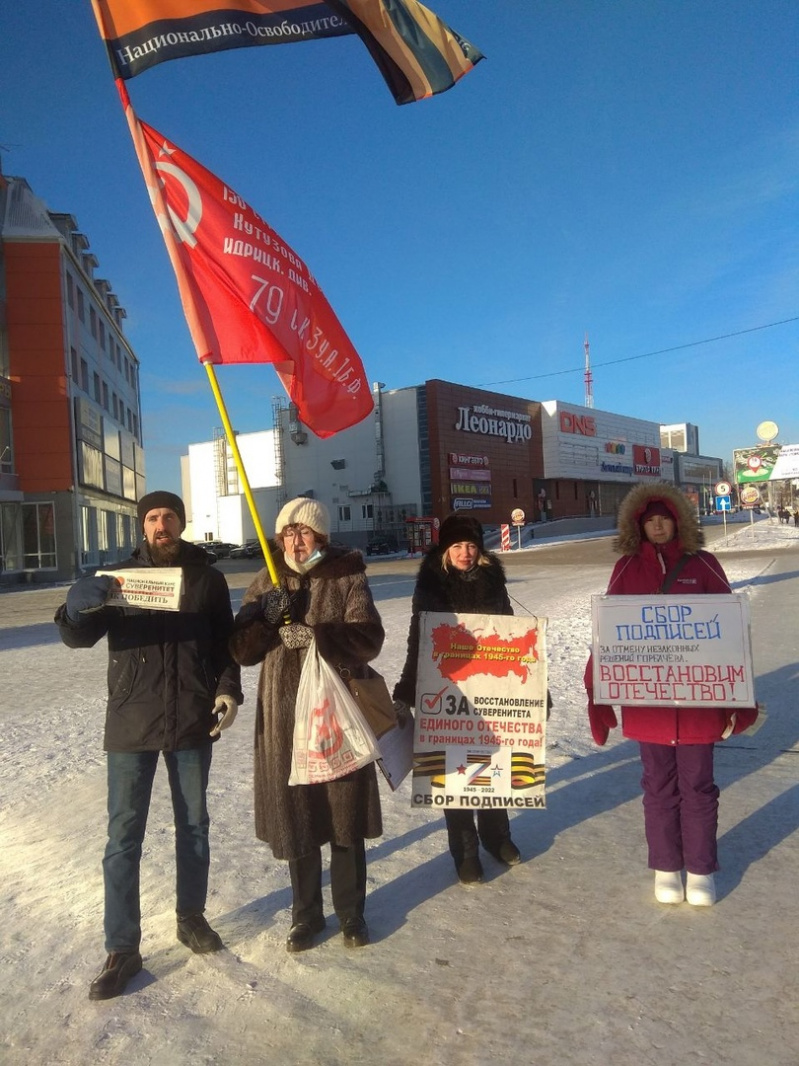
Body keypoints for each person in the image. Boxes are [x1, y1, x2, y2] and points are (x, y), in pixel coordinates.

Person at [55, 491, 242, 1000]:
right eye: (153, 518)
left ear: (182, 522)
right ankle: (122, 947)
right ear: (143, 527)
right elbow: (78, 637)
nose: (162, 525)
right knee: (122, 837)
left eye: (169, 516)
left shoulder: (208, 579)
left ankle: (191, 917)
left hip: (190, 720)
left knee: (194, 826)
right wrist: (74, 611)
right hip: (131, 722)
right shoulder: (118, 578)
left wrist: (228, 689)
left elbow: (226, 644)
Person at [584, 483, 758, 907]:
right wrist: (597, 682)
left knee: (698, 787)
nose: (658, 526)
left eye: (664, 518)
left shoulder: (705, 564)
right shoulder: (627, 568)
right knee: (658, 786)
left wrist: (740, 695)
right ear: (637, 527)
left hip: (699, 704)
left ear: (678, 520)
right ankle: (666, 866)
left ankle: (700, 869)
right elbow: (610, 633)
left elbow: (730, 632)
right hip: (650, 702)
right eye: (649, 521)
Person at [229, 498, 384, 953]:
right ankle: (306, 916)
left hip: (335, 712)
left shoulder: (347, 575)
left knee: (343, 814)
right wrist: (267, 622)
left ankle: (352, 914)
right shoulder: (265, 581)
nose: (295, 541)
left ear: (321, 536)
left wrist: (319, 636)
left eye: (304, 532)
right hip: (283, 716)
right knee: (298, 816)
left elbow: (369, 638)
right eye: (287, 534)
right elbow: (240, 650)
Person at [393, 513, 521, 884]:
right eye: (457, 546)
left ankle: (498, 838)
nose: (465, 553)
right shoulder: (431, 584)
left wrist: (532, 688)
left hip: (491, 689)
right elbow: (419, 638)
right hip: (447, 689)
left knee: (493, 765)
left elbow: (511, 630)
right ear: (445, 550)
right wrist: (406, 688)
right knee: (456, 772)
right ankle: (465, 851)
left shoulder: (493, 579)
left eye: (471, 546)